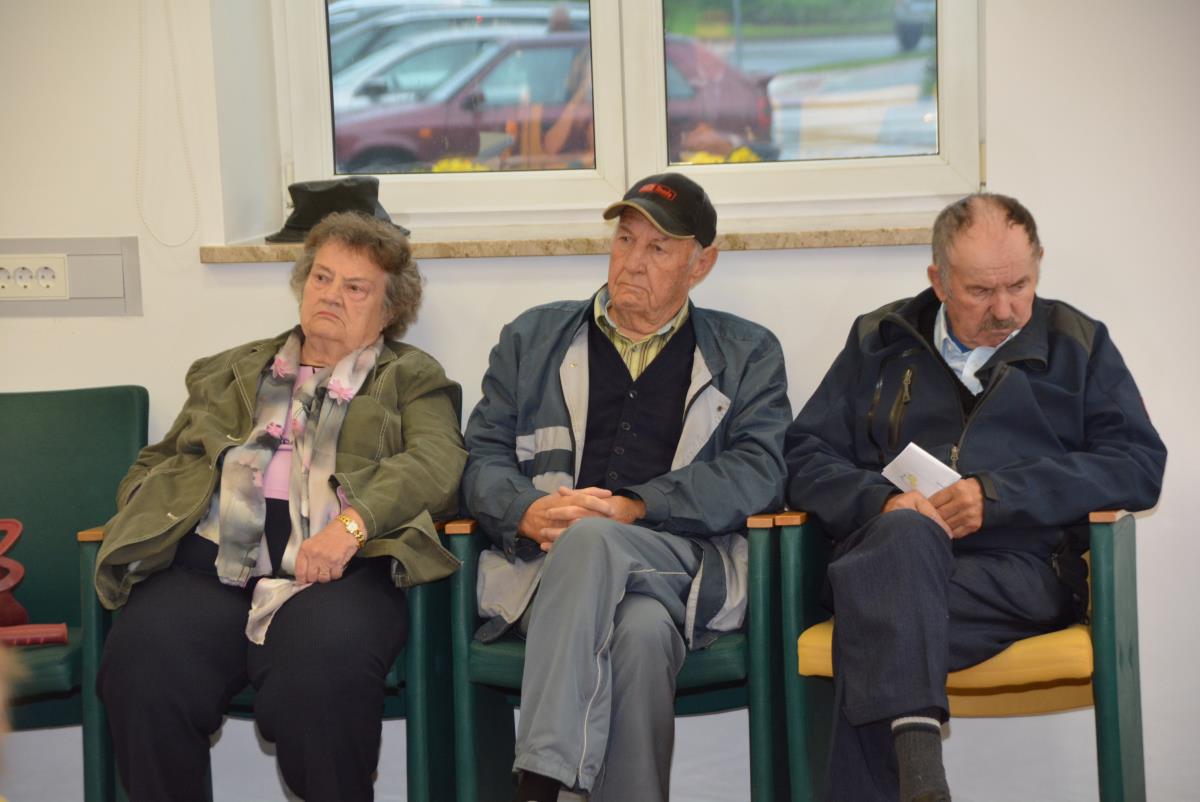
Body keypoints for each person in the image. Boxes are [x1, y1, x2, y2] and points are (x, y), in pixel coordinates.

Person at [784, 193, 1167, 802]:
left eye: (1019, 285)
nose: (1005, 309)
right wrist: (879, 502)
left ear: (1039, 263)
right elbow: (803, 455)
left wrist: (999, 495)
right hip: (888, 554)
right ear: (938, 280)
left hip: (1018, 573)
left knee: (873, 619)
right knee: (898, 552)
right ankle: (922, 775)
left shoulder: (1078, 344)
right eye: (980, 291)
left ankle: (917, 771)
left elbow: (1138, 464)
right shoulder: (878, 340)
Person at [94, 212, 466, 802]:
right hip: (212, 563)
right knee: (143, 664)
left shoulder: (410, 377)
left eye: (355, 287)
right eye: (322, 277)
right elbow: (159, 459)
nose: (331, 295)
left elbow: (437, 462)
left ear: (389, 311)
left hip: (338, 571)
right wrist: (150, 506)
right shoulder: (233, 370)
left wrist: (352, 524)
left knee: (320, 675)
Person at [462, 172, 791, 802]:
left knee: (593, 539)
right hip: (547, 572)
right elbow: (481, 457)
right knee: (640, 633)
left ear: (701, 264)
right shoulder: (533, 339)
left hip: (682, 565)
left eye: (658, 248)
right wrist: (527, 510)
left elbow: (760, 471)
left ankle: (541, 782)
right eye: (625, 239)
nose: (633, 261)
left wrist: (639, 505)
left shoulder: (747, 353)